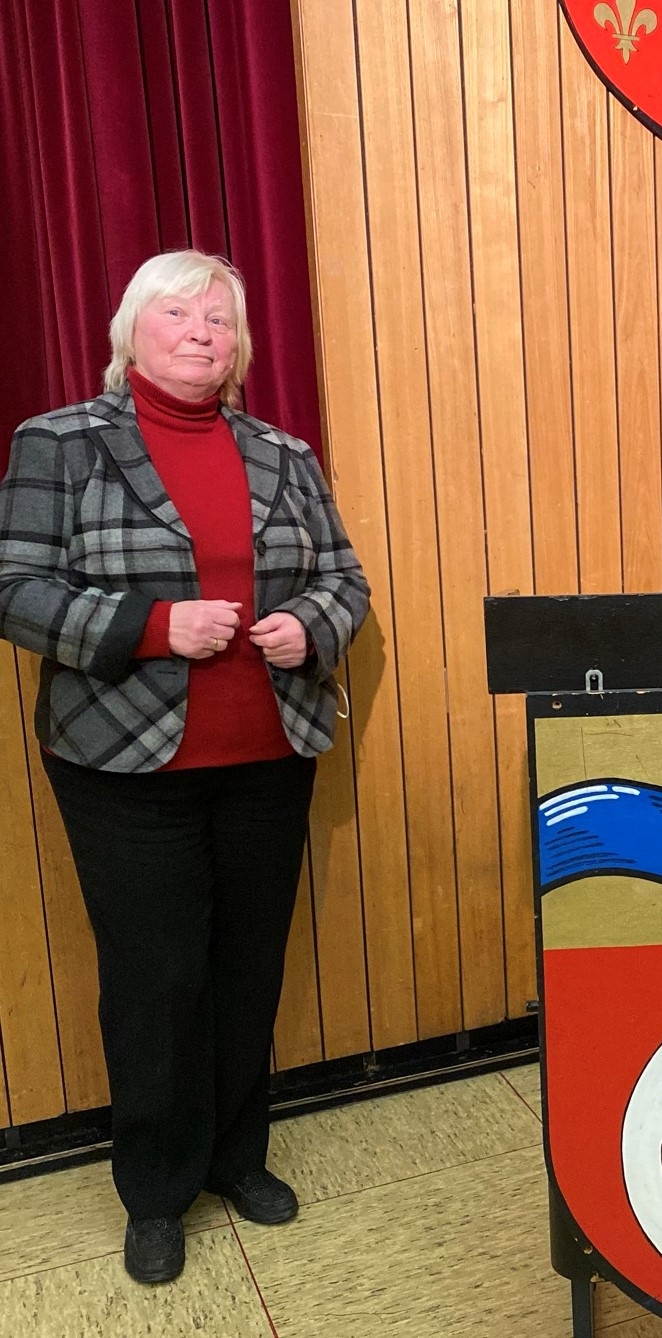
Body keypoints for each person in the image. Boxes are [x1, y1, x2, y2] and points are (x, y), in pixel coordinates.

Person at [0, 251, 370, 1282]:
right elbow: (14, 589)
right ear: (132, 332)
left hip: (269, 755)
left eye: (220, 316)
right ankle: (157, 1192)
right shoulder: (61, 444)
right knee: (157, 983)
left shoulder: (284, 451)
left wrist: (312, 623)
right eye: (178, 311)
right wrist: (155, 626)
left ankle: (233, 1162)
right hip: (123, 769)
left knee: (248, 970)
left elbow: (345, 577)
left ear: (241, 344)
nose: (202, 329)